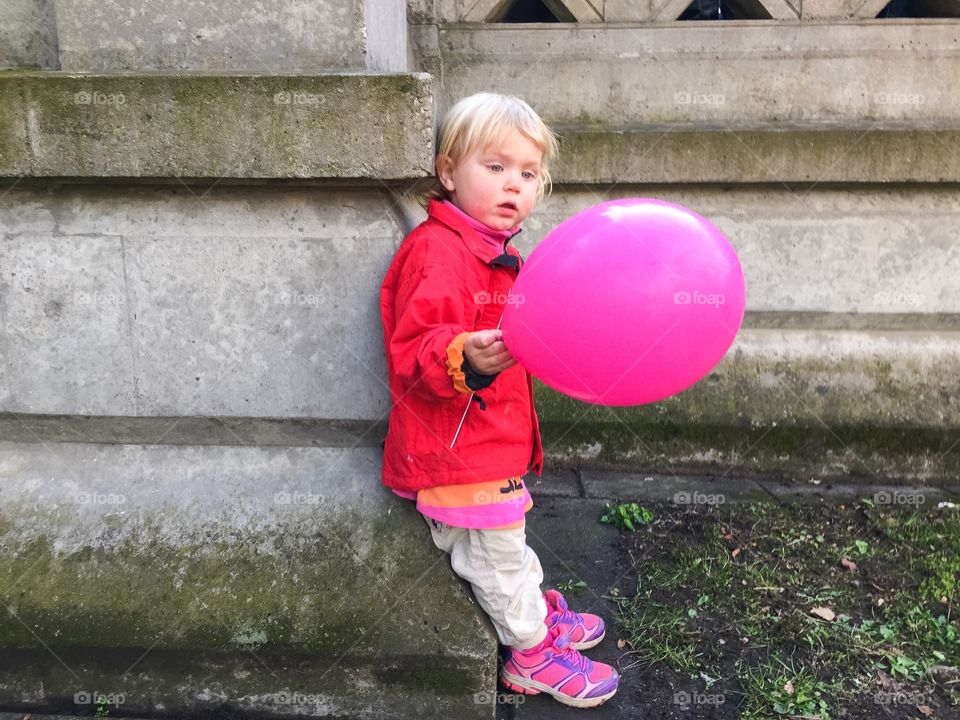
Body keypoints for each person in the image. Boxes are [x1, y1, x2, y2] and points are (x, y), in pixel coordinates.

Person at [379, 92, 619, 708]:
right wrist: (463, 356)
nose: (514, 185)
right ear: (447, 170)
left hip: (487, 444)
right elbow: (415, 345)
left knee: (506, 538)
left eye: (529, 173)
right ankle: (530, 654)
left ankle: (535, 613)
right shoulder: (439, 251)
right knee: (495, 554)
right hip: (456, 451)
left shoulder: (499, 255)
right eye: (495, 167)